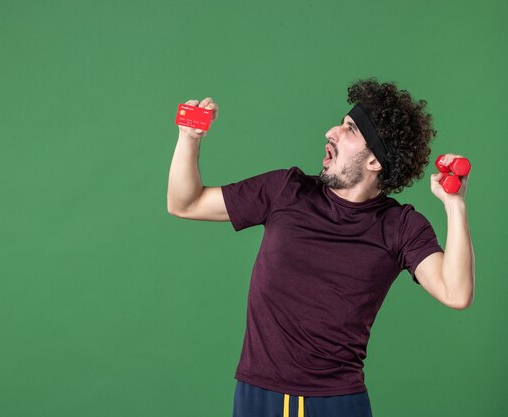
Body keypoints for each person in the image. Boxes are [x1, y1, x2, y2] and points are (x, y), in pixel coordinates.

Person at [166, 77, 475, 417]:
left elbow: (456, 292)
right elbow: (186, 203)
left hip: (337, 402)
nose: (332, 131)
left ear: (375, 162)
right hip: (258, 394)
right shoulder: (286, 190)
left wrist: (454, 205)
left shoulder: (399, 225)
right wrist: (188, 138)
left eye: (350, 129)